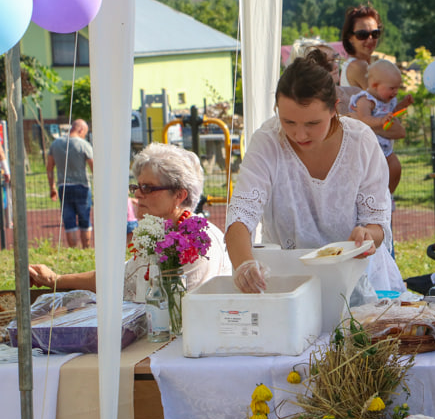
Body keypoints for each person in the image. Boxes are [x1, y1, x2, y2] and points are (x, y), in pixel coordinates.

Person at [225, 50, 399, 295]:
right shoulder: (267, 140)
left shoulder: (360, 141)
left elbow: (377, 225)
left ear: (333, 109)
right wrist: (243, 265)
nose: (299, 135)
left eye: (312, 124)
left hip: (361, 284)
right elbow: (241, 214)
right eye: (288, 122)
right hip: (291, 285)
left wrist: (366, 234)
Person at [29, 143, 232, 301]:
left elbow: (174, 311)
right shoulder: (166, 232)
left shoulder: (197, 242)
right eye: (137, 186)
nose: (137, 194)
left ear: (179, 195)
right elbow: (121, 278)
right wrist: (55, 280)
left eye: (148, 188)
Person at [349, 59, 411, 194]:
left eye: (398, 88)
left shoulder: (387, 100)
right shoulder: (365, 100)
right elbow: (364, 119)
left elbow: (393, 113)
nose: (395, 92)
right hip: (368, 150)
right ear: (375, 85)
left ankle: (387, 197)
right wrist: (381, 120)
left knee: (395, 169)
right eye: (392, 88)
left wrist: (403, 105)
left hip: (384, 149)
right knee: (374, 178)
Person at [47, 119, 94, 248]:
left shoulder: (55, 144)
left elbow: (49, 167)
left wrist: (52, 187)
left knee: (69, 220)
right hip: (82, 186)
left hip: (63, 187)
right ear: (81, 130)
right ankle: (86, 248)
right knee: (85, 219)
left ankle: (73, 249)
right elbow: (93, 166)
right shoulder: (84, 145)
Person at [340, 4, 382, 89]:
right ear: (350, 38)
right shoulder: (359, 66)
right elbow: (382, 101)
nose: (370, 39)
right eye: (362, 35)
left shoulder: (349, 64)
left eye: (375, 33)